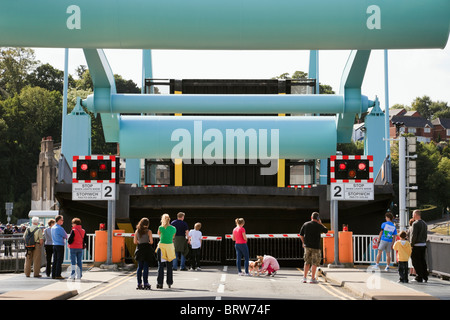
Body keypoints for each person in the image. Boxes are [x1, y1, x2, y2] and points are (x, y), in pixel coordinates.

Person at [299, 212, 328, 283]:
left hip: (307, 246)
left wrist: (303, 243)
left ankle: (304, 278)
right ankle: (312, 279)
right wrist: (320, 223)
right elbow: (326, 231)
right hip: (316, 247)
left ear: (311, 217)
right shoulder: (318, 225)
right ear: (318, 219)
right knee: (315, 263)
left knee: (307, 262)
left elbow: (301, 235)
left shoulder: (305, 224)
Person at [156, 213, 176, 289]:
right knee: (169, 266)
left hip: (162, 247)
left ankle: (160, 283)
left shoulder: (160, 228)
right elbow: (173, 237)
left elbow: (160, 236)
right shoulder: (174, 228)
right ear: (169, 219)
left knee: (160, 266)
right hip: (170, 248)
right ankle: (169, 282)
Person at [133, 217, 154, 290]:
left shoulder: (137, 231)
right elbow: (151, 242)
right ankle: (146, 283)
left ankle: (139, 283)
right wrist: (147, 242)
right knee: (145, 267)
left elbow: (135, 242)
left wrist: (140, 242)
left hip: (139, 249)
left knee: (139, 267)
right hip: (146, 249)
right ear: (147, 224)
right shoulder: (149, 231)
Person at [410, 210, 428, 283]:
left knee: (415, 262)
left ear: (416, 215)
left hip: (416, 245)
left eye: (413, 214)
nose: (412, 216)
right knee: (423, 261)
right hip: (423, 244)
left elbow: (414, 235)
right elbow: (425, 235)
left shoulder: (415, 224)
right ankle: (425, 276)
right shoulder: (424, 223)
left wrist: (411, 245)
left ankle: (419, 276)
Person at [51, 215, 67, 279]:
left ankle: (53, 274)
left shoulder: (53, 227)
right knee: (59, 260)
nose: (63, 221)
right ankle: (58, 274)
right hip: (60, 245)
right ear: (59, 220)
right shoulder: (60, 228)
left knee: (55, 260)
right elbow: (65, 236)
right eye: (62, 220)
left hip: (54, 245)